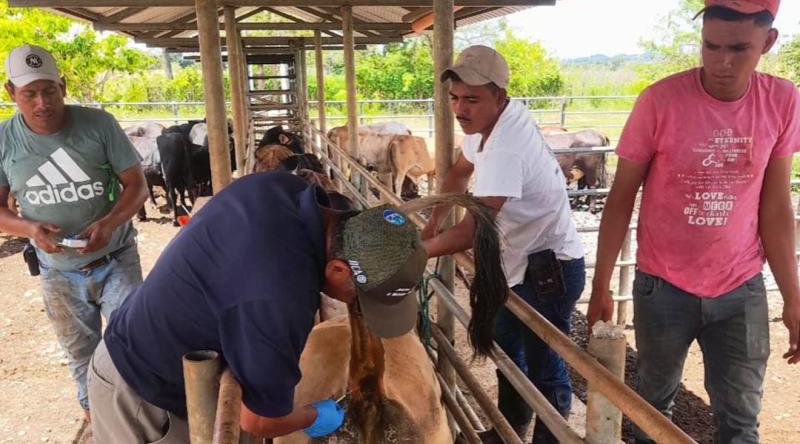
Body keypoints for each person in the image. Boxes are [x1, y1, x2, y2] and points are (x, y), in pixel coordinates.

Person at [586, 0, 800, 443]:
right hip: (663, 286)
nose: (721, 62)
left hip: (741, 287)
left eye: (738, 49)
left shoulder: (783, 101)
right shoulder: (659, 102)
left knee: (741, 420)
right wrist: (601, 284)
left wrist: (793, 295)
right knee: (650, 408)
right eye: (711, 46)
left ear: (767, 43)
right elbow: (621, 200)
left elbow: (776, 207)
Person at [87, 172, 430, 442]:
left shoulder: (283, 187)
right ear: (339, 269)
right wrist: (317, 416)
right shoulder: (280, 297)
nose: (354, 304)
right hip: (140, 395)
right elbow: (258, 420)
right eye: (359, 296)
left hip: (146, 345)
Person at [422, 45, 585, 443]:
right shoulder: (485, 130)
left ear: (500, 97)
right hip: (514, 260)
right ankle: (507, 431)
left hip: (548, 269)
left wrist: (415, 253)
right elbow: (458, 173)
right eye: (455, 98)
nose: (461, 109)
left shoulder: (505, 147)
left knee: (546, 368)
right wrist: (431, 224)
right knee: (509, 353)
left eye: (472, 99)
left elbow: (473, 231)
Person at [0, 44, 148, 418]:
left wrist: (108, 223)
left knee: (132, 343)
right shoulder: (4, 139)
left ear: (62, 86)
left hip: (116, 257)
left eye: (48, 90)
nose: (41, 103)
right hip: (56, 269)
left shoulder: (99, 124)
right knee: (81, 353)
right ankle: (96, 418)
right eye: (29, 93)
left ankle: (140, 416)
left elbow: (137, 186)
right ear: (10, 92)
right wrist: (28, 228)